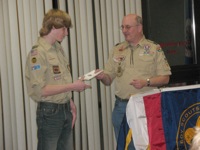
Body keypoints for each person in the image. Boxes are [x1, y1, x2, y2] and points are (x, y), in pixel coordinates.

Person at [95, 14, 171, 149]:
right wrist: (102, 77)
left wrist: (146, 82)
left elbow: (165, 78)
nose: (124, 30)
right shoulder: (117, 49)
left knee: (147, 145)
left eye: (128, 27)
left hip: (146, 106)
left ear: (139, 27)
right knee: (124, 146)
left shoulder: (154, 48)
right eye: (122, 27)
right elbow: (108, 80)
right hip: (121, 107)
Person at [25, 9, 91, 150]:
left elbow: (60, 80)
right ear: (53, 27)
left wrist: (70, 101)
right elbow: (41, 90)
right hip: (50, 112)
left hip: (65, 108)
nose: (66, 33)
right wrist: (73, 87)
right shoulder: (37, 53)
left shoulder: (57, 48)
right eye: (64, 29)